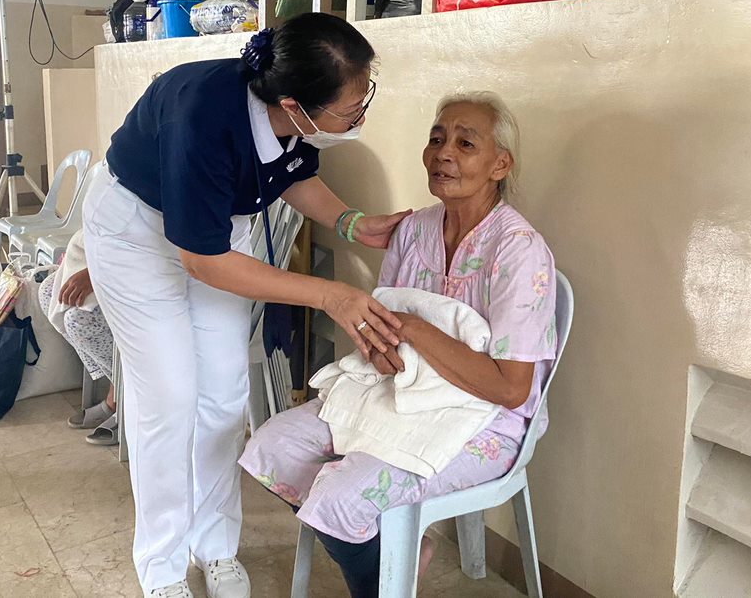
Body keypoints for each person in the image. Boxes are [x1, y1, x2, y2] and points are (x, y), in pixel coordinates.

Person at [82, 13, 412, 598]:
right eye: (351, 107)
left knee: (225, 393)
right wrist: (330, 294)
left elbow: (290, 176)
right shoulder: (201, 118)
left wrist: (352, 222)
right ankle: (160, 570)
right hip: (136, 234)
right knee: (170, 397)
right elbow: (204, 263)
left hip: (211, 232)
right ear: (295, 102)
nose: (359, 116)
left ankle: (216, 547)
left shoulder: (287, 118)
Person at [239, 92, 558, 598]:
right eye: (436, 139)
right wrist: (380, 346)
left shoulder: (518, 250)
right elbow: (381, 325)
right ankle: (393, 554)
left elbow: (512, 389)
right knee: (271, 449)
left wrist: (413, 329)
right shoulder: (413, 230)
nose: (443, 153)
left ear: (500, 164)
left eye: (465, 143)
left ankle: (383, 581)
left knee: (342, 497)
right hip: (397, 391)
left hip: (486, 418)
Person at [37, 229, 119, 445]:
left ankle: (128, 398)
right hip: (106, 248)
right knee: (48, 292)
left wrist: (96, 274)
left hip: (139, 263)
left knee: (79, 320)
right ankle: (118, 388)